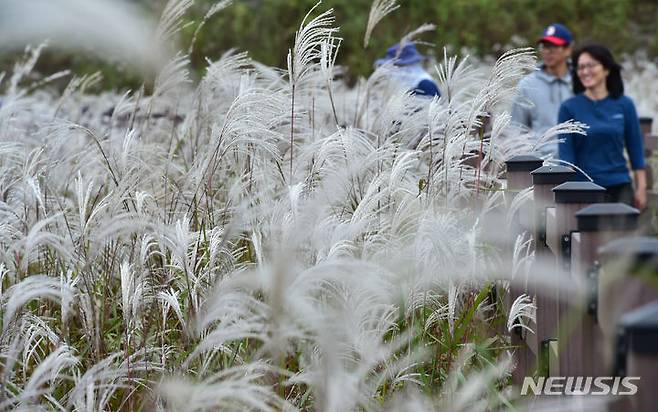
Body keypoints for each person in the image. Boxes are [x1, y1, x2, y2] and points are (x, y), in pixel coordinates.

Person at [558, 44, 647, 210]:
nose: (585, 71)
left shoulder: (624, 105)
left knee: (624, 236)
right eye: (581, 67)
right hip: (583, 190)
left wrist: (641, 188)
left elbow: (636, 149)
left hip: (620, 187)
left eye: (591, 65)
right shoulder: (568, 108)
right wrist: (567, 195)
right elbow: (566, 159)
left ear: (606, 69)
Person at [511, 23, 574, 156]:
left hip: (579, 164)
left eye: (554, 46)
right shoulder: (527, 84)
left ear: (568, 49)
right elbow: (517, 131)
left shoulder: (582, 80)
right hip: (542, 166)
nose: (547, 51)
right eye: (544, 46)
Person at [375, 42, 440, 98]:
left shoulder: (425, 84)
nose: (393, 70)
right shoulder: (406, 83)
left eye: (397, 66)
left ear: (409, 65)